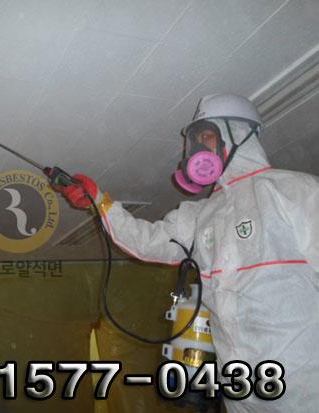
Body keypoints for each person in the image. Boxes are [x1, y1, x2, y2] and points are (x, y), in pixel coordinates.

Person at [58, 94, 319, 412]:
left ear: (237, 133)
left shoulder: (295, 192)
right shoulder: (201, 215)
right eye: (194, 142)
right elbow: (147, 241)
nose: (196, 149)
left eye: (205, 136)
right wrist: (100, 202)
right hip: (242, 392)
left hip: (304, 383)